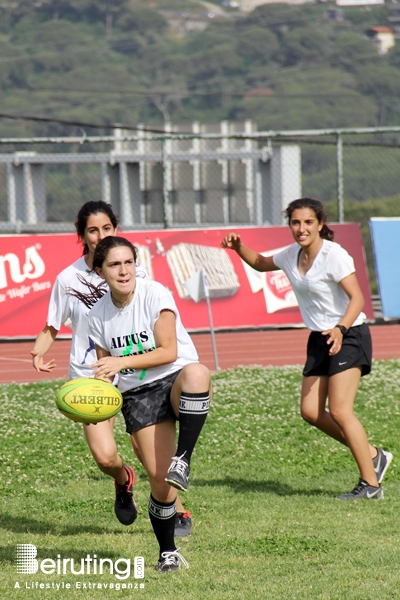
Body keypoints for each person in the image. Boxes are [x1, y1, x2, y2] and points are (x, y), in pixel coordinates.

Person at [30, 201, 191, 534]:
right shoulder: (68, 278)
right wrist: (37, 352)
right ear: (82, 235)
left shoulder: (132, 271)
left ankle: (175, 508)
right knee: (105, 456)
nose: (100, 235)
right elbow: (51, 326)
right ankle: (123, 479)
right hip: (92, 379)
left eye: (106, 228)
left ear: (115, 230)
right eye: (92, 230)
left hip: (133, 373)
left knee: (148, 448)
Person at [221, 197, 392, 501]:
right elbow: (261, 263)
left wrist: (340, 330)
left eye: (308, 222)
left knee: (339, 410)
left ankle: (371, 485)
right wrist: (238, 248)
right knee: (311, 412)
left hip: (348, 333)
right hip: (319, 338)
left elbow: (358, 299)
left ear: (320, 224)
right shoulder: (291, 255)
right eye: (296, 222)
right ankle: (373, 456)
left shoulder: (334, 255)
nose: (301, 228)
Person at [87, 236, 211, 571]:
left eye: (129, 262)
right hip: (138, 395)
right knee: (160, 482)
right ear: (99, 270)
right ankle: (168, 552)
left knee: (198, 373)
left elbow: (168, 351)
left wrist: (120, 363)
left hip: (174, 377)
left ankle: (182, 459)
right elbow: (106, 371)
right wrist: (92, 397)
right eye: (114, 264)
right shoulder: (97, 315)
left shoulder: (154, 292)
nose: (123, 270)